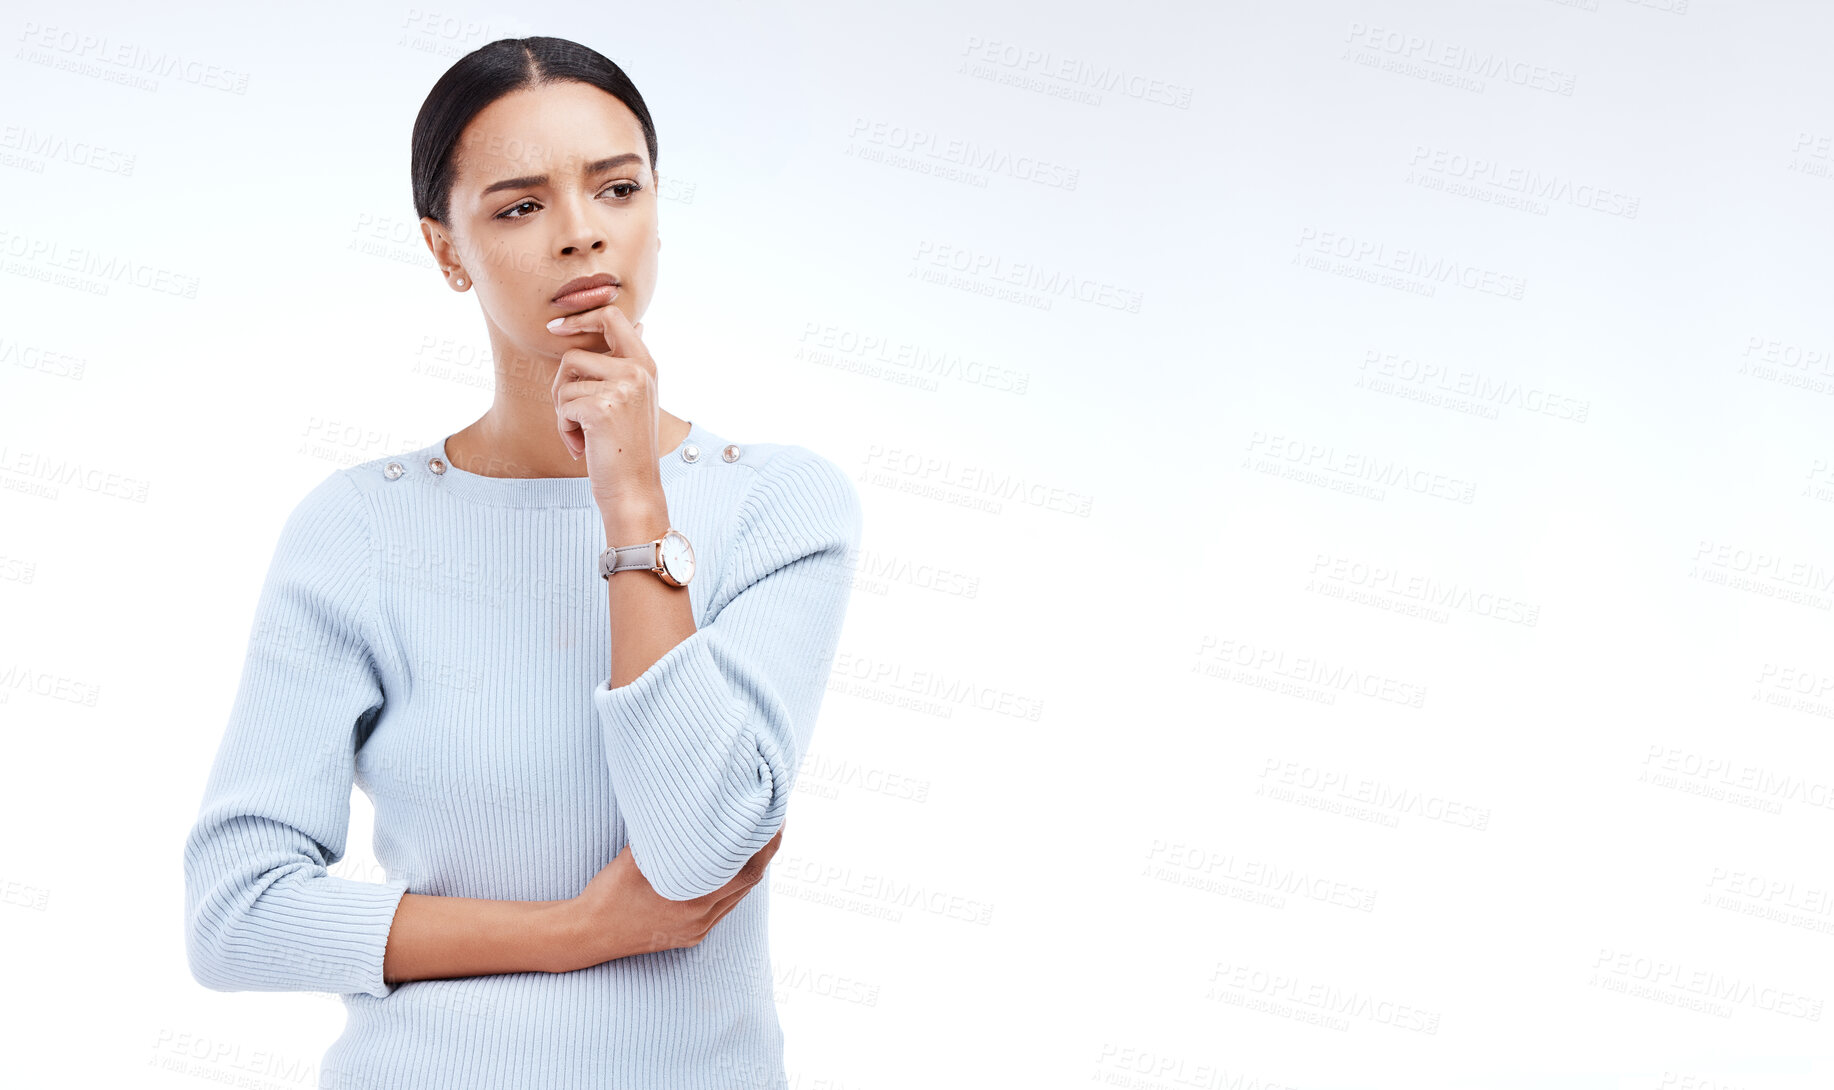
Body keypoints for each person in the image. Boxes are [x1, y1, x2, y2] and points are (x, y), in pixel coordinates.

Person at [180, 36, 862, 1089]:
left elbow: (697, 851)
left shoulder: (778, 504)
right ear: (446, 250)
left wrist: (630, 499)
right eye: (518, 206)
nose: (583, 235)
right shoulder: (361, 526)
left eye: (616, 188)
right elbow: (238, 915)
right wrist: (576, 930)